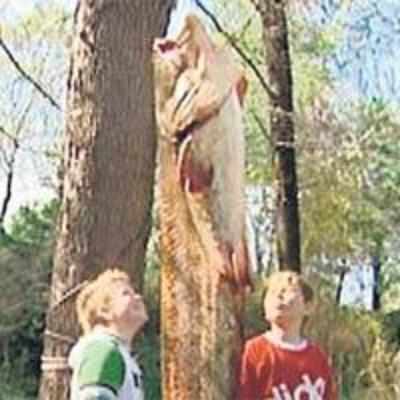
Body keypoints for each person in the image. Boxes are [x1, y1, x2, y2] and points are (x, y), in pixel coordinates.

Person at [237, 271, 337, 400]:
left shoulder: (318, 358)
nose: (278, 296)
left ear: (307, 306)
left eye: (287, 291)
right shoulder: (255, 350)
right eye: (272, 293)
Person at [68, 269, 148, 400]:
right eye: (126, 293)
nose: (138, 297)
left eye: (136, 293)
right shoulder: (103, 350)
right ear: (104, 311)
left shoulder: (118, 354)